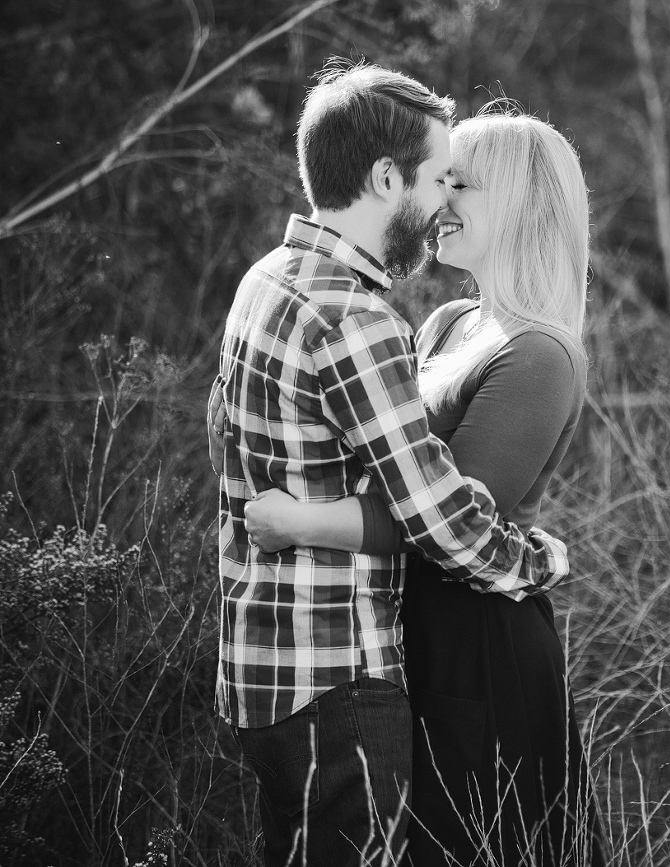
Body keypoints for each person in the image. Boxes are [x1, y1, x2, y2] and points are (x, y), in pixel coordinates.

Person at [210, 63, 570, 867]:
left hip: (265, 663)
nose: (444, 200)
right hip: (337, 671)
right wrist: (538, 559)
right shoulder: (355, 317)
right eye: (441, 177)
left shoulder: (266, 281)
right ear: (384, 177)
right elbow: (440, 516)